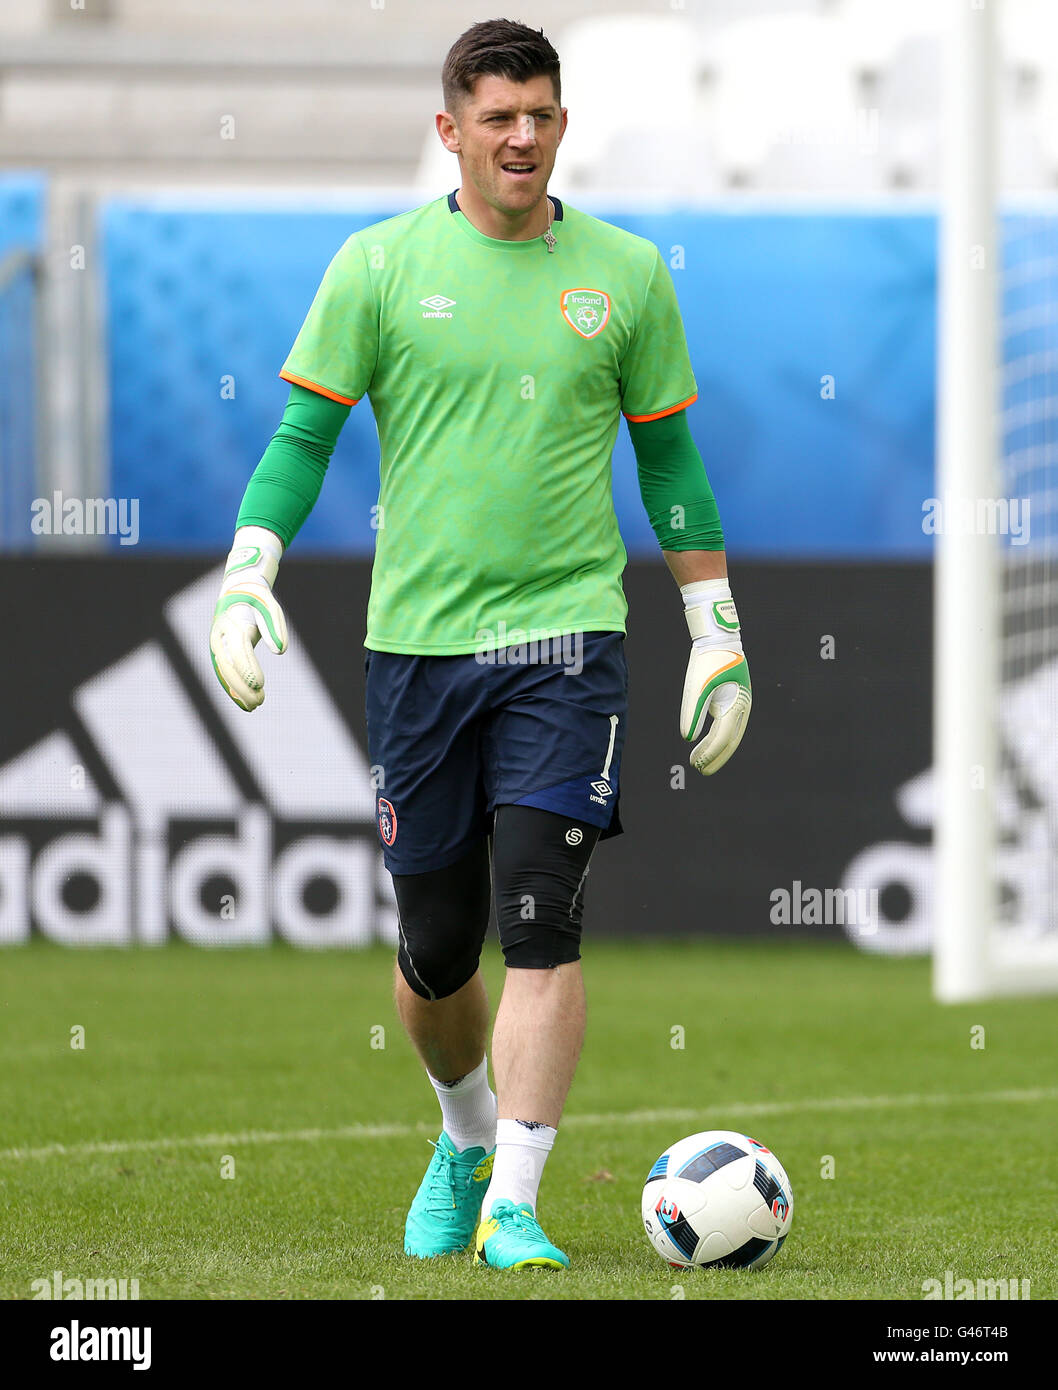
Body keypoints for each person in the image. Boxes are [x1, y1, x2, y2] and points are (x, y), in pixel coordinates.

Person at [208, 17, 751, 1272]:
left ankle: (513, 1194)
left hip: (570, 641)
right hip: (418, 650)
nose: (521, 135)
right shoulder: (377, 266)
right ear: (447, 130)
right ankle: (460, 1137)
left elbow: (666, 458)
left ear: (563, 123)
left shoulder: (623, 274)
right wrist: (249, 572)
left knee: (542, 915)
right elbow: (301, 442)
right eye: (496, 116)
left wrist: (713, 629)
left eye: (541, 113)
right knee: (437, 947)